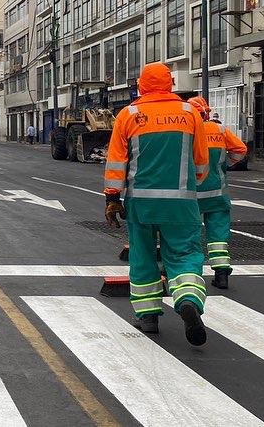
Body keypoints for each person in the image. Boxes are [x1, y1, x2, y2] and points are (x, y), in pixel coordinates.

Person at [103, 62, 210, 346]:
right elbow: (201, 162)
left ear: (140, 86)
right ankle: (187, 299)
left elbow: (116, 162)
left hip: (141, 204)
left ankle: (148, 316)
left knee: (143, 256)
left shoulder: (129, 114)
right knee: (185, 254)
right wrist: (191, 183)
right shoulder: (190, 113)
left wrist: (112, 197)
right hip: (181, 203)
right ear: (170, 86)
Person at [188, 96, 248, 290]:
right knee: (218, 236)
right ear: (206, 112)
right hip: (217, 194)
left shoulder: (186, 131)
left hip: (192, 195)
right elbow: (240, 149)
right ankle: (221, 274)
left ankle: (191, 274)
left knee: (189, 234)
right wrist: (224, 165)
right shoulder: (220, 130)